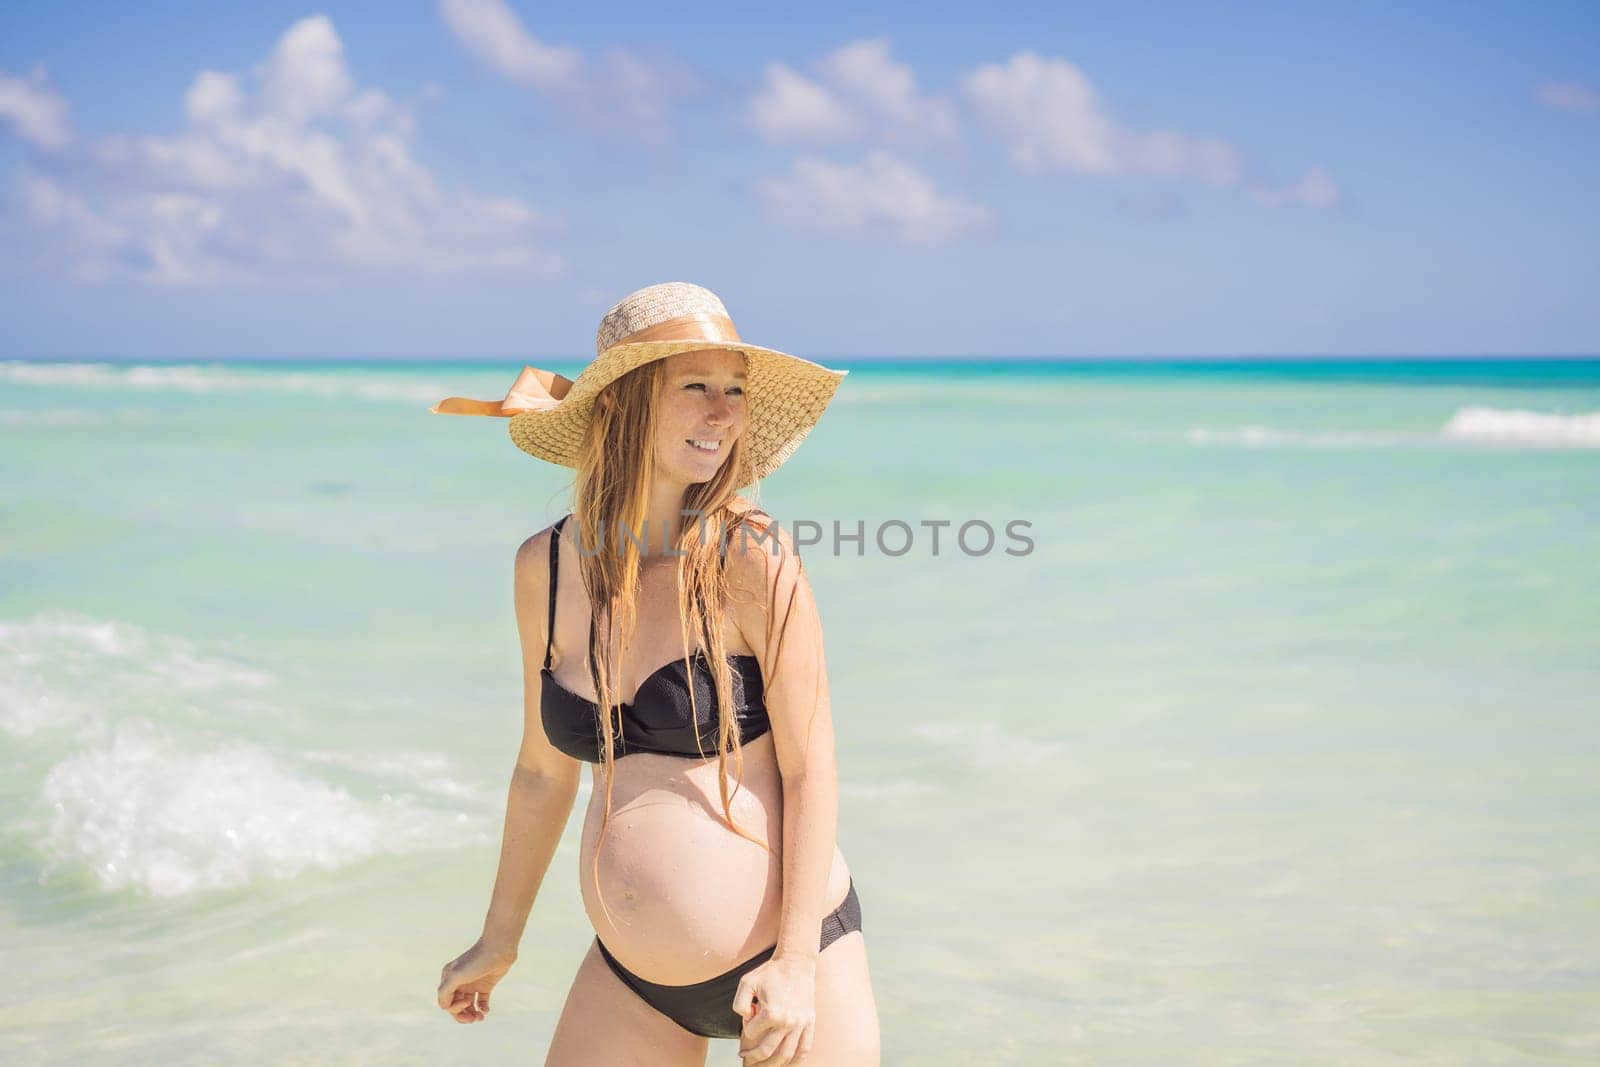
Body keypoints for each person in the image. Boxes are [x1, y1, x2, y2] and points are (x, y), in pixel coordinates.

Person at [430, 282, 881, 1066]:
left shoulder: (750, 556)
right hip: (632, 978)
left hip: (785, 962)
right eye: (696, 387)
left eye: (735, 390)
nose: (723, 412)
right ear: (622, 405)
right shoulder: (547, 568)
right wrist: (498, 939)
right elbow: (542, 771)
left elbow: (812, 769)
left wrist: (798, 962)